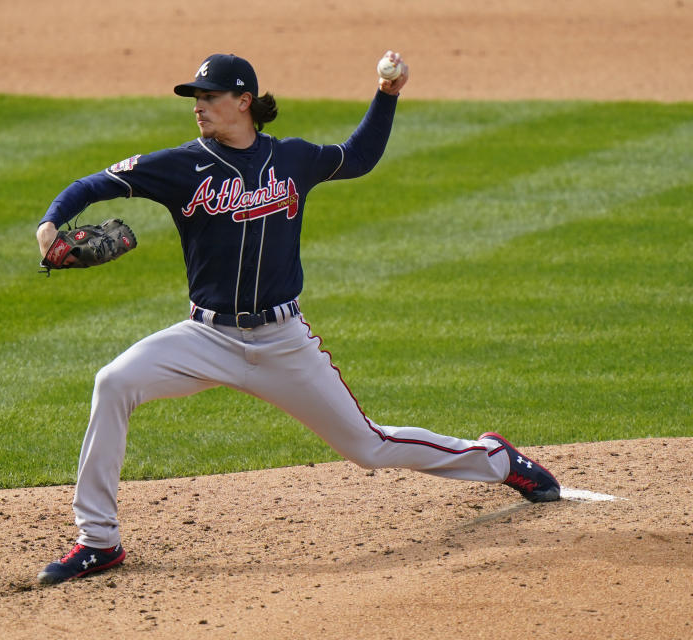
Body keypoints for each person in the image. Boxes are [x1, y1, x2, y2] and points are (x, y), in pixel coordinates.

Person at [34, 51, 561, 585]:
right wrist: (52, 222)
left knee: (369, 447)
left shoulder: (293, 160)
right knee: (113, 381)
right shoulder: (180, 166)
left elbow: (359, 157)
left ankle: (496, 459)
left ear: (244, 101)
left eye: (210, 96)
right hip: (205, 337)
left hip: (282, 340)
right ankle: (98, 540)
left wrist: (387, 94)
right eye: (196, 98)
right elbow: (94, 184)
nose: (200, 107)